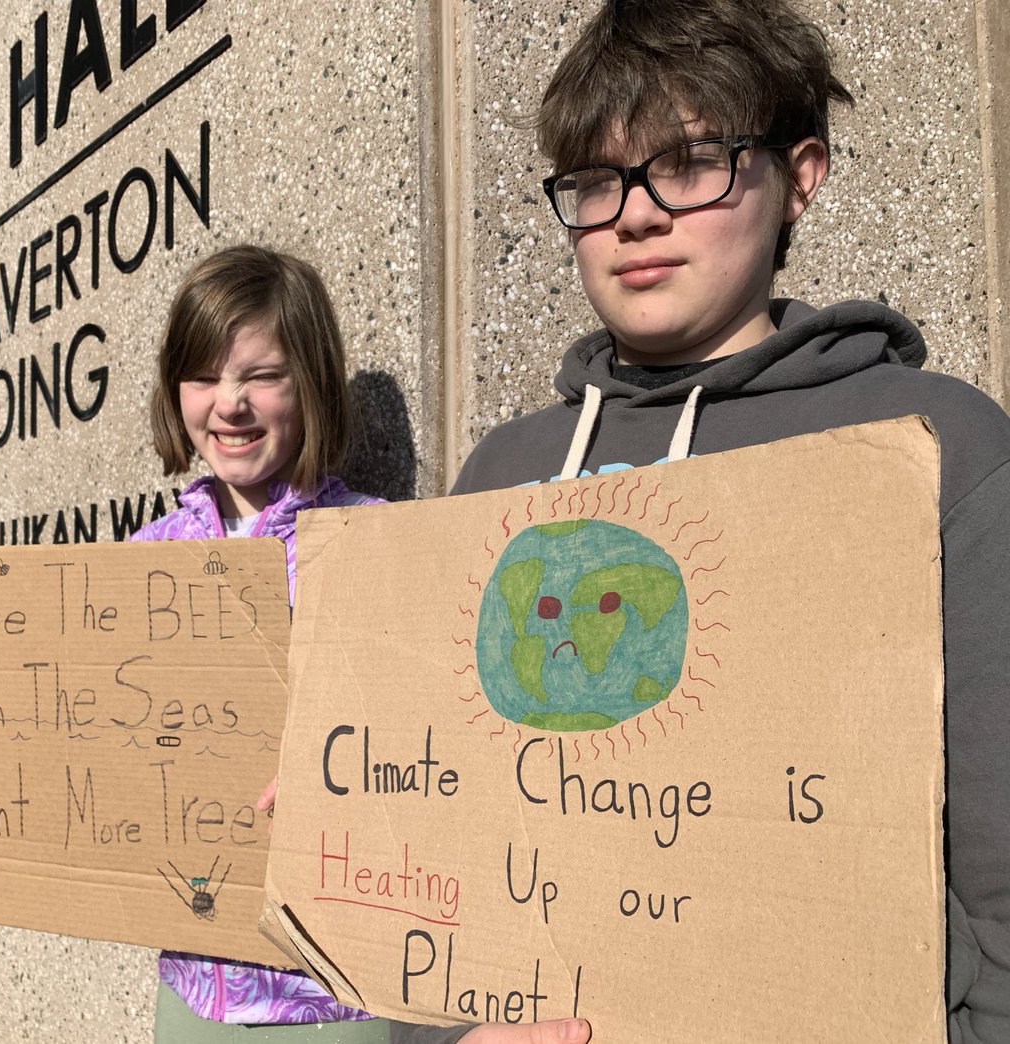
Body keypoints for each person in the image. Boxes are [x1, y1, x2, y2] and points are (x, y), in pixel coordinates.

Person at [398, 0, 1010, 1041]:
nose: (634, 216)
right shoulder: (502, 472)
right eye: (596, 182)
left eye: (688, 163)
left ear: (800, 175)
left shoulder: (930, 444)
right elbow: (445, 830)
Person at [0, 243, 390, 1043]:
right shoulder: (146, 557)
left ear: (312, 380)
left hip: (331, 997)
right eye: (205, 377)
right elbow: (52, 734)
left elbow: (428, 766)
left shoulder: (375, 544)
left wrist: (340, 779)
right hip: (187, 986)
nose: (230, 404)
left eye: (263, 375)